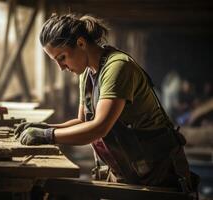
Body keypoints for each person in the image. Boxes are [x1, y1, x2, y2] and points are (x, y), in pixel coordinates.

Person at [14, 13, 198, 193]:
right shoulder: (86, 73)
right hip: (128, 170)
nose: (61, 67)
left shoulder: (117, 67)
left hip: (157, 171)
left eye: (62, 57)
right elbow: (83, 122)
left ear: (80, 43)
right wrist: (45, 127)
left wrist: (48, 135)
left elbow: (99, 128)